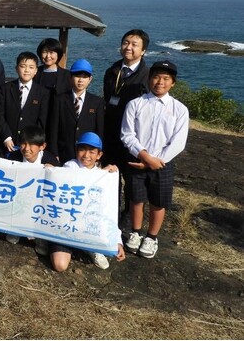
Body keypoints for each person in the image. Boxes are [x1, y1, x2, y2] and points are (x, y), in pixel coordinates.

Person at [121, 60, 189, 259]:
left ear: (173, 83)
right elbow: (127, 134)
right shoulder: (136, 104)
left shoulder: (179, 109)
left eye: (166, 79)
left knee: (159, 202)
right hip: (137, 159)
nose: (160, 82)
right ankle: (135, 232)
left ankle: (152, 236)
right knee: (136, 198)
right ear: (150, 79)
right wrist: (144, 157)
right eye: (156, 77)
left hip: (163, 164)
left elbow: (178, 142)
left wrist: (155, 161)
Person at [48, 132, 125, 272]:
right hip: (65, 227)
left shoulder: (105, 177)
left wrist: (117, 241)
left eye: (92, 151)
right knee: (60, 265)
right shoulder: (70, 166)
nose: (86, 155)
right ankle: (49, 240)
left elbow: (110, 210)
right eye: (82, 150)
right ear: (76, 150)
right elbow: (81, 179)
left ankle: (91, 248)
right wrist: (102, 173)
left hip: (87, 228)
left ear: (99, 155)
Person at [102, 29, 150, 217]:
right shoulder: (112, 71)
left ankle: (129, 218)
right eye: (125, 42)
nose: (128, 47)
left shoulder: (147, 75)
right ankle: (109, 214)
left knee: (133, 182)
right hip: (111, 135)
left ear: (143, 51)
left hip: (133, 138)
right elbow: (108, 99)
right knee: (110, 178)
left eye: (134, 44)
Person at [5, 125, 59, 247]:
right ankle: (15, 229)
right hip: (20, 196)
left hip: (40, 200)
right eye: (23, 143)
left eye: (32, 145)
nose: (26, 148)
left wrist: (54, 171)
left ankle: (40, 236)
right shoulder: (14, 156)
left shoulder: (50, 159)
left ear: (42, 146)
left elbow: (60, 183)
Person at [48, 59, 105, 165]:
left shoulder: (97, 102)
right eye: (77, 76)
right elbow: (53, 128)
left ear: (90, 79)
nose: (80, 80)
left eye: (84, 77)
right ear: (70, 77)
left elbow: (99, 130)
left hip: (87, 156)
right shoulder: (59, 99)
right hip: (64, 152)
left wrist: (98, 155)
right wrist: (53, 152)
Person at [0, 51, 49, 157]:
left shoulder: (43, 93)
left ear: (36, 70)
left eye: (31, 67)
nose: (27, 70)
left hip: (28, 147)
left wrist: (31, 142)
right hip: (3, 144)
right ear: (17, 68)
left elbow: (41, 122)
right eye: (23, 66)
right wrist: (6, 137)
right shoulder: (5, 88)